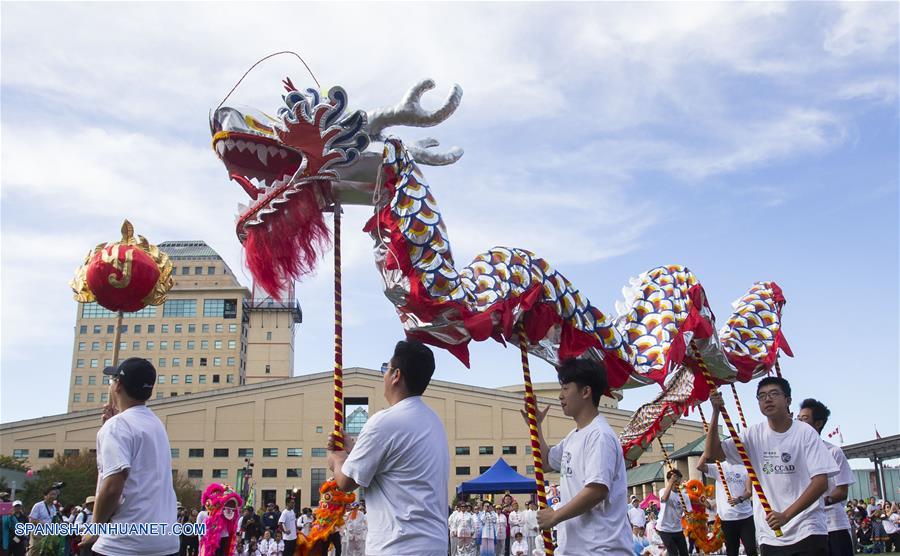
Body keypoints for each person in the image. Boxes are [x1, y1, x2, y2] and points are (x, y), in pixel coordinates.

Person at [327, 340, 450, 556]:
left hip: (397, 547)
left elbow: (346, 482)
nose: (383, 375)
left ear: (396, 375)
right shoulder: (433, 421)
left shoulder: (383, 422)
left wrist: (336, 459)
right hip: (434, 546)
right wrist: (355, 449)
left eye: (386, 368)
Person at [704, 377, 839, 555]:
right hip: (770, 535)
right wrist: (715, 412)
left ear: (788, 400)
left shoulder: (805, 433)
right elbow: (713, 454)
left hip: (808, 529)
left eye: (774, 394)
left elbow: (821, 482)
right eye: (762, 396)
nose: (767, 399)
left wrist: (786, 515)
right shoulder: (752, 435)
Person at [526, 358, 633, 554]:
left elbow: (597, 490)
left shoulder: (600, 435)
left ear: (585, 392)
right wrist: (536, 426)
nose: (560, 396)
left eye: (566, 388)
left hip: (600, 549)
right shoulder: (574, 436)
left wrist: (555, 516)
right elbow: (546, 462)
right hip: (577, 548)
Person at [76, 358, 179, 556]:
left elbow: (113, 486)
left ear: (118, 385)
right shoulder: (155, 424)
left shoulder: (117, 427)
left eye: (112, 380)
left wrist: (95, 529)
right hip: (165, 541)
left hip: (124, 543)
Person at [797, 398, 855, 556]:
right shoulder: (793, 454)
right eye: (798, 418)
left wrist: (819, 501)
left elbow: (842, 492)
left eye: (804, 419)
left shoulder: (833, 452)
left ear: (818, 423)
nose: (799, 422)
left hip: (834, 525)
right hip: (806, 527)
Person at [696, 454, 755, 556]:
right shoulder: (719, 466)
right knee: (732, 551)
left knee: (751, 550)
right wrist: (707, 453)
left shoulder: (745, 466)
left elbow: (749, 491)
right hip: (727, 519)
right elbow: (700, 466)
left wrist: (739, 499)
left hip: (746, 516)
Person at [655, 469, 691, 556]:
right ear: (669, 481)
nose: (677, 484)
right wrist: (671, 482)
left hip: (677, 529)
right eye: (675, 482)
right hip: (664, 529)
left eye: (678, 482)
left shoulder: (684, 496)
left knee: (684, 553)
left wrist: (689, 517)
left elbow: (688, 512)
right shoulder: (663, 491)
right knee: (673, 553)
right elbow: (664, 499)